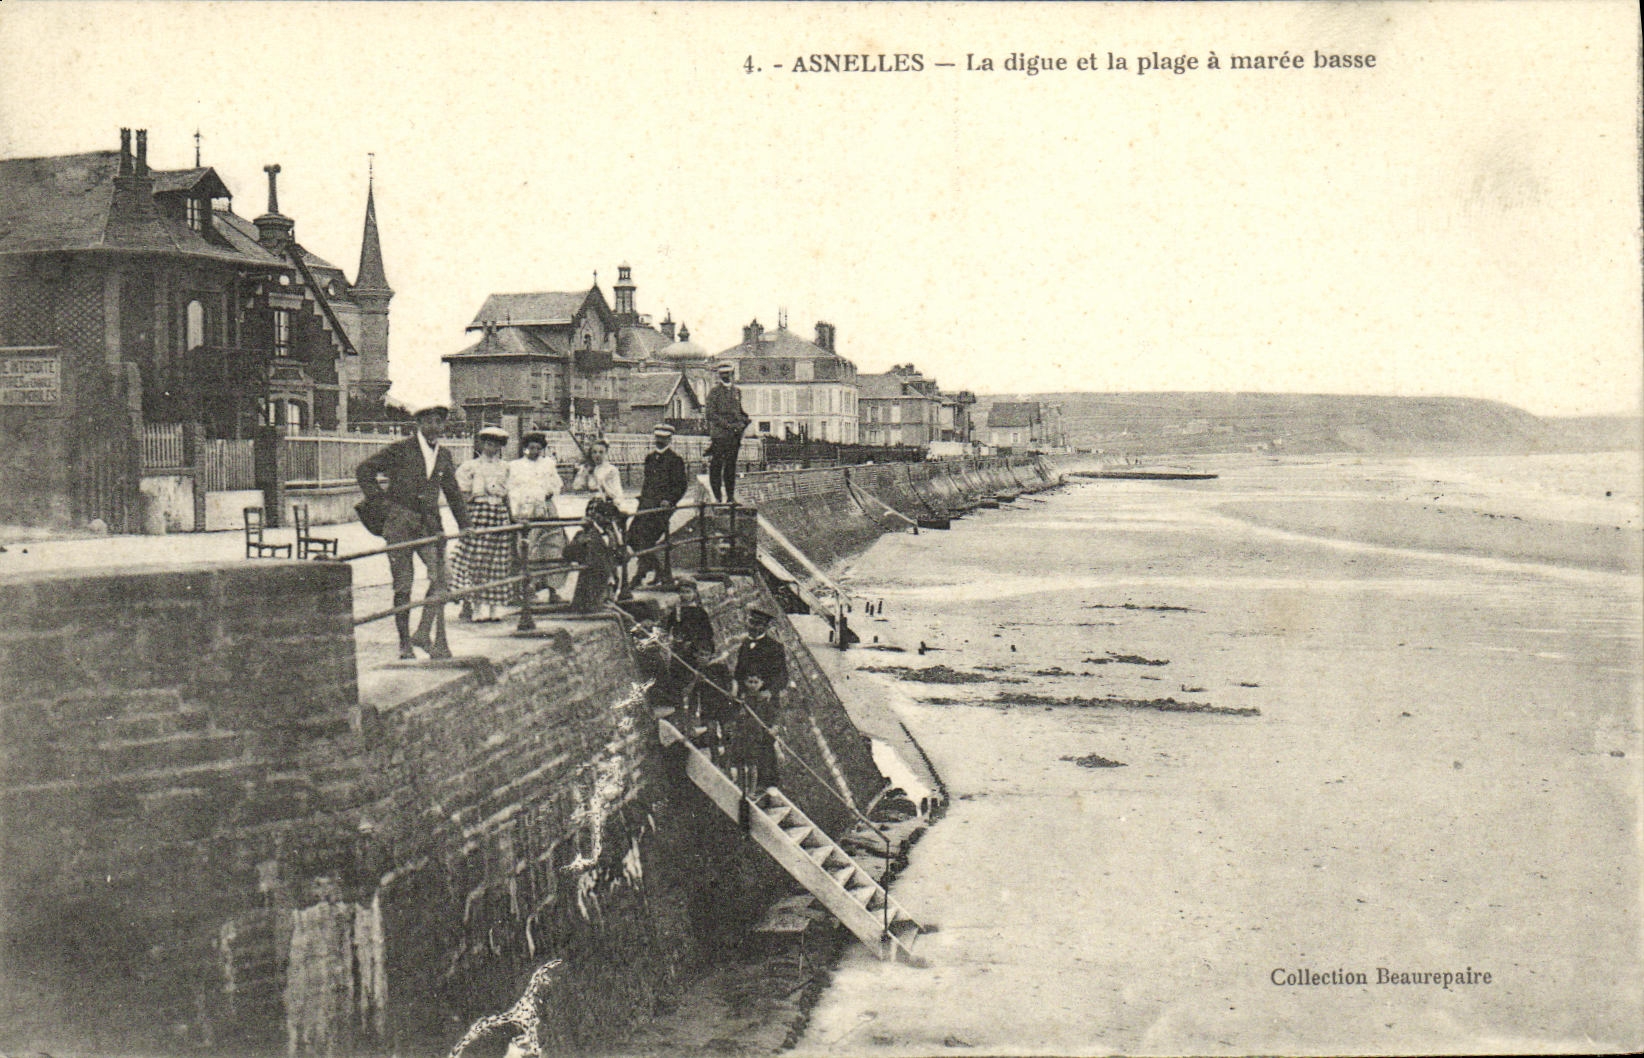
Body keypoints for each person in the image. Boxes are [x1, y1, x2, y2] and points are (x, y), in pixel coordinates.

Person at [355, 402, 471, 660]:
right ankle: (404, 642)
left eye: (438, 422)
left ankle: (423, 631)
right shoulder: (401, 449)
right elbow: (364, 470)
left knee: (442, 577)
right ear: (418, 424)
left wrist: (465, 525)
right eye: (428, 421)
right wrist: (382, 503)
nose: (434, 427)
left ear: (444, 425)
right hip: (399, 524)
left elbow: (453, 492)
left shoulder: (444, 455)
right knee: (403, 584)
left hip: (429, 525)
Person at [452, 427, 515, 622]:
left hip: (498, 514)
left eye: (496, 444)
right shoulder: (471, 466)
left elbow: (508, 496)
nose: (492, 447)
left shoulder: (505, 467)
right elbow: (462, 494)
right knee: (477, 560)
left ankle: (494, 608)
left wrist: (511, 516)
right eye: (488, 443)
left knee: (497, 562)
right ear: (481, 444)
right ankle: (476, 606)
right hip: (478, 514)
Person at [731, 604, 788, 793]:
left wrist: (770, 691)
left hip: (765, 701)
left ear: (765, 627)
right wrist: (737, 691)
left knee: (765, 739)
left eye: (759, 625)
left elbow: (782, 676)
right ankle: (749, 781)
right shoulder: (745, 645)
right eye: (752, 623)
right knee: (748, 737)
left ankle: (769, 781)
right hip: (748, 700)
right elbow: (739, 672)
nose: (754, 627)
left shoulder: (775, 647)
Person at [507, 431, 567, 603]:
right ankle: (529, 589)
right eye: (531, 448)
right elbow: (512, 488)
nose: (534, 451)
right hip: (527, 510)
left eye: (538, 448)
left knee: (552, 546)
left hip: (547, 510)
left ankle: (553, 590)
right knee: (529, 548)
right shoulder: (516, 466)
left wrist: (548, 493)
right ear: (525, 448)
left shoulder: (548, 464)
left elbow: (557, 484)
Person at [628, 423, 689, 586]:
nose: (659, 441)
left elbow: (681, 486)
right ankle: (658, 571)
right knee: (631, 537)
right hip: (646, 506)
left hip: (661, 509)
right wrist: (641, 497)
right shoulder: (649, 459)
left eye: (663, 438)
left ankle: (642, 573)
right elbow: (647, 483)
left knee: (646, 539)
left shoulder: (675, 460)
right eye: (658, 438)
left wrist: (669, 500)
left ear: (670, 439)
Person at [563, 497, 623, 613]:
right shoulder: (585, 534)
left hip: (609, 583)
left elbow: (619, 558)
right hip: (592, 586)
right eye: (607, 518)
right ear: (599, 516)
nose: (609, 521)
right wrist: (581, 542)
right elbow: (568, 554)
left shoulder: (611, 534)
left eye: (611, 519)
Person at [705, 361, 750, 504]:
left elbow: (740, 411)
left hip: (734, 436)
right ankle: (717, 497)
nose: (726, 376)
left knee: (731, 466)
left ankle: (730, 497)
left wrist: (745, 420)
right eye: (722, 374)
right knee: (717, 466)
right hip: (720, 435)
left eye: (728, 374)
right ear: (719, 375)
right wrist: (729, 426)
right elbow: (711, 414)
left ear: (732, 374)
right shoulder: (714, 392)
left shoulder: (737, 391)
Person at [571, 439, 626, 509]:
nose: (597, 455)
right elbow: (576, 487)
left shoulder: (611, 470)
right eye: (594, 452)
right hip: (592, 505)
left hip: (608, 505)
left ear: (606, 453)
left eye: (601, 452)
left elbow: (617, 491)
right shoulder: (587, 468)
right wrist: (585, 474)